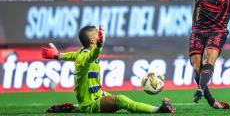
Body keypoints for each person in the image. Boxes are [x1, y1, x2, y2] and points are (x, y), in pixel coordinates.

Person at [41, 25, 175, 113]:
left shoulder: (81, 52)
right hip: (91, 103)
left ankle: (73, 108)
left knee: (124, 103)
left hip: (99, 94)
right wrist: (99, 46)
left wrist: (58, 55)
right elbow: (92, 55)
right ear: (93, 41)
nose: (100, 34)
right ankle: (158, 110)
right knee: (121, 100)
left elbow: (71, 55)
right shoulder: (86, 57)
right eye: (97, 34)